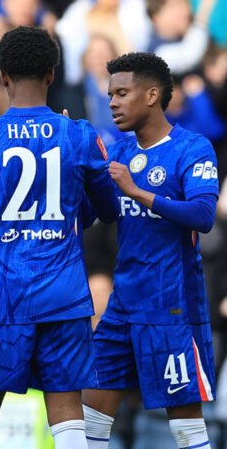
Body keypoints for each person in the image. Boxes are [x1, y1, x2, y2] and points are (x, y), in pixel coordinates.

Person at [0, 26, 118, 449]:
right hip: (64, 295)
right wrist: (73, 199)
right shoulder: (79, 135)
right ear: (52, 74)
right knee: (68, 417)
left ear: (2, 76)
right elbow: (107, 211)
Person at [82, 52, 219, 449]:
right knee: (91, 416)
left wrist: (138, 191)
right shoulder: (119, 152)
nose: (112, 102)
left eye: (122, 93)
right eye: (111, 95)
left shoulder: (192, 148)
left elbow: (203, 215)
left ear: (152, 95)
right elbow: (94, 215)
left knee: (185, 423)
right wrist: (79, 164)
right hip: (122, 303)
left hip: (172, 305)